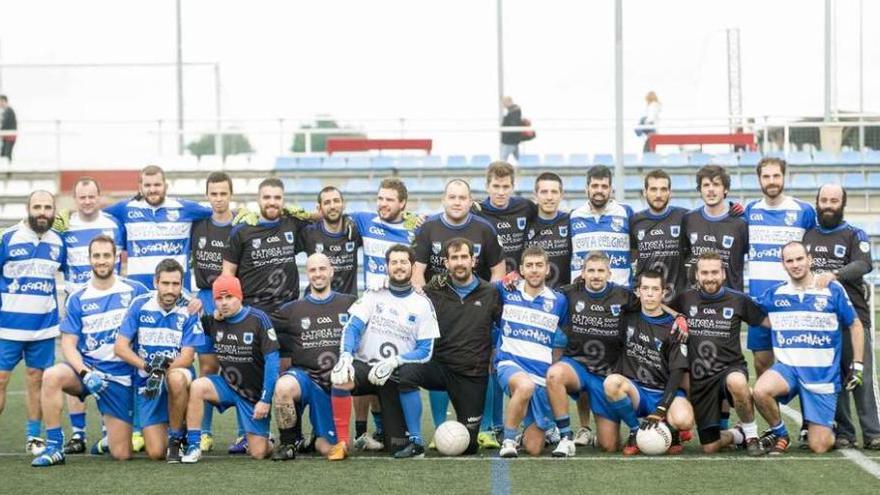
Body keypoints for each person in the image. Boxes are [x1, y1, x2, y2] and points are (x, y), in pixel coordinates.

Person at [30, 235, 148, 466]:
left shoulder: (135, 290)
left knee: (122, 454)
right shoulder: (77, 297)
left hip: (119, 378)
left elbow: (166, 301)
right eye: (97, 255)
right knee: (52, 375)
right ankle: (54, 447)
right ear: (89, 259)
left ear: (116, 258)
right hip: (87, 371)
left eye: (106, 255)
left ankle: (107, 441)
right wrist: (85, 373)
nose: (102, 260)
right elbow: (68, 344)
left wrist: (191, 303)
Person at [753, 241, 865, 454]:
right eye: (789, 261)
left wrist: (857, 364)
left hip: (821, 376)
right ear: (783, 265)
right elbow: (749, 309)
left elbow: (855, 324)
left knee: (819, 445)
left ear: (809, 259)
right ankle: (780, 433)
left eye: (799, 259)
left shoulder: (832, 289)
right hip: (789, 369)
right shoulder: (776, 294)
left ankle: (826, 426)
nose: (795, 264)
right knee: (760, 390)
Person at [329, 244, 440, 459]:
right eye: (394, 262)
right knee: (340, 378)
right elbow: (352, 327)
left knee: (397, 446)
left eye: (403, 262)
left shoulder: (422, 304)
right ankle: (342, 442)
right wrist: (345, 356)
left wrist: (395, 361)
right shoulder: (374, 294)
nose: (399, 267)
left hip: (393, 375)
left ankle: (413, 441)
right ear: (387, 267)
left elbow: (426, 351)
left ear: (412, 266)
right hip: (365, 365)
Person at [398, 238, 502, 457]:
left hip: (471, 375)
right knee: (404, 372)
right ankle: (414, 440)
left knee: (468, 447)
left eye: (464, 257)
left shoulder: (491, 293)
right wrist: (384, 286)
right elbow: (406, 300)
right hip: (439, 367)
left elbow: (504, 326)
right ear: (446, 263)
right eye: (454, 258)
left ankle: (478, 430)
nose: (459, 262)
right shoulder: (434, 290)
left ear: (473, 260)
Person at [803, 184, 880, 450]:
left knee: (860, 376)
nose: (828, 205)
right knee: (833, 379)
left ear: (842, 204)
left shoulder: (853, 234)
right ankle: (845, 432)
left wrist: (834, 275)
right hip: (820, 321)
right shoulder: (808, 235)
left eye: (834, 200)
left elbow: (864, 264)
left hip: (852, 319)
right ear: (817, 202)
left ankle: (873, 432)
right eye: (824, 200)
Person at [669, 251, 767, 455]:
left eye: (714, 272)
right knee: (710, 447)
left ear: (723, 274)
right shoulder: (685, 299)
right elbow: (660, 310)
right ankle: (737, 434)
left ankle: (751, 435)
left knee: (738, 383)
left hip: (729, 369)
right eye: (704, 273)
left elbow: (768, 322)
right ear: (697, 275)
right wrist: (676, 316)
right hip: (701, 381)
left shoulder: (739, 300)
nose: (710, 277)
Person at [546, 251, 639, 456]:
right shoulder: (569, 292)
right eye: (591, 271)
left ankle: (602, 435)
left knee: (609, 446)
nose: (596, 276)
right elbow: (539, 295)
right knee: (554, 375)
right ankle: (565, 436)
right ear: (583, 273)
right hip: (576, 365)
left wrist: (677, 317)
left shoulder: (624, 296)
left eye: (600, 271)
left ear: (609, 273)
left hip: (606, 374)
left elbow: (652, 307)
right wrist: (512, 283)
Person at [180, 275, 279, 463]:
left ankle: (268, 439)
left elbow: (273, 362)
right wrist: (198, 307)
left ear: (240, 296)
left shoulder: (258, 319)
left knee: (258, 453)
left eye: (229, 297)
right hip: (226, 385)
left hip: (252, 395)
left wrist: (265, 400)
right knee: (197, 386)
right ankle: (194, 444)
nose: (224, 303)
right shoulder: (214, 321)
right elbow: (197, 319)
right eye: (219, 298)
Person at [114, 259, 206, 462]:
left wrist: (161, 369)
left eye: (176, 284)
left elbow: (187, 357)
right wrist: (147, 367)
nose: (170, 290)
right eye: (165, 283)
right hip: (147, 381)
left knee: (176, 379)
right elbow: (120, 347)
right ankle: (175, 425)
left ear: (182, 284)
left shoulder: (189, 308)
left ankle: (175, 439)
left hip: (177, 373)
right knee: (155, 452)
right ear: (156, 282)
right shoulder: (140, 304)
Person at [472, 162, 538, 447]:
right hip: (486, 296)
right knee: (490, 359)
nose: (500, 192)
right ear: (487, 186)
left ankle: (529, 424)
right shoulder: (476, 211)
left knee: (517, 357)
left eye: (505, 187)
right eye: (495, 187)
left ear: (513, 186)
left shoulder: (526, 207)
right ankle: (491, 424)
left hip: (519, 297)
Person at [59, 177, 125, 455]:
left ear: (100, 197)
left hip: (109, 304)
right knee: (76, 365)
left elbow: (122, 262)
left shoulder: (112, 224)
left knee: (107, 365)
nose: (87, 201)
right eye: (82, 197)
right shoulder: (64, 227)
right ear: (75, 199)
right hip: (77, 304)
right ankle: (77, 434)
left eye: (91, 196)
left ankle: (106, 432)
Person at [271, 254, 356, 460]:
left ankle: (317, 436)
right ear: (307, 274)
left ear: (331, 271)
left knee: (331, 450)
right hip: (305, 378)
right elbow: (259, 325)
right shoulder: (292, 310)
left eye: (322, 269)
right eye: (313, 270)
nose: (318, 274)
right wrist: (216, 318)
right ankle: (289, 443)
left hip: (333, 386)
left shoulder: (350, 304)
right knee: (282, 387)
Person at [0, 190, 66, 455]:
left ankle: (33, 437)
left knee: (36, 380)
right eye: (37, 206)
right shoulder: (7, 237)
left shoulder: (59, 242)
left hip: (43, 327)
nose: (42, 211)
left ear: (53, 211)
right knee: (1, 380)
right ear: (27, 209)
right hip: (8, 325)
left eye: (47, 207)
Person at [602, 270, 694, 456]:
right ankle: (636, 430)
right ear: (638, 291)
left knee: (684, 420)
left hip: (664, 391)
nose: (650, 294)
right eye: (645, 288)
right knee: (611, 383)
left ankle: (672, 429)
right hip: (638, 392)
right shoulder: (627, 316)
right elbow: (604, 293)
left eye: (655, 289)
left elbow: (677, 372)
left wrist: (662, 408)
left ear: (663, 293)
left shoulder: (674, 326)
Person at [744, 158, 816, 379]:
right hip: (760, 302)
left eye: (776, 175)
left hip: (796, 301)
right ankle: (776, 415)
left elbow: (816, 253)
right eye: (766, 176)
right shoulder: (750, 211)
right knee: (762, 364)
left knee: (803, 366)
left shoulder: (804, 211)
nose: (771, 181)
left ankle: (810, 414)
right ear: (759, 180)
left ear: (784, 177)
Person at [495, 247, 568, 457]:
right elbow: (481, 287)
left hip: (540, 375)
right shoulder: (506, 290)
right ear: (521, 270)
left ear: (547, 269)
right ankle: (508, 441)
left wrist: (553, 366)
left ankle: (540, 429)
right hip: (510, 364)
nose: (534, 270)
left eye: (539, 265)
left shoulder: (558, 301)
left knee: (534, 448)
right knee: (524, 386)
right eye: (529, 266)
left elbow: (561, 336)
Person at [98, 165, 213, 290]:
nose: (152, 189)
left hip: (176, 291)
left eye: (157, 185)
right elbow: (98, 217)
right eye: (147, 186)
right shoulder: (126, 208)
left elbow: (217, 213)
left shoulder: (184, 208)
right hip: (139, 292)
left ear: (166, 186)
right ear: (140, 188)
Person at [189, 171, 235, 453]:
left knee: (240, 365)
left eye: (223, 193)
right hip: (205, 299)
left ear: (231, 194)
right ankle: (204, 432)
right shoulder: (198, 225)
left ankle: (245, 432)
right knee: (206, 366)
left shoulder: (241, 225)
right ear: (207, 196)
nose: (218, 199)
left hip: (234, 299)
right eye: (213, 193)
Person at [223, 177, 310, 319]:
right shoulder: (241, 231)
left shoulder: (292, 224)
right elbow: (227, 274)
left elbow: (322, 221)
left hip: (288, 310)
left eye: (277, 197)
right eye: (266, 197)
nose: (272, 202)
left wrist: (310, 214)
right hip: (253, 311)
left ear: (283, 200)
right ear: (258, 200)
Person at [412, 179, 506, 289]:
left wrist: (489, 298)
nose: (457, 203)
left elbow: (498, 271)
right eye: (452, 197)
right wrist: (426, 300)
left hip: (476, 300)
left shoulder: (485, 229)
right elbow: (416, 271)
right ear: (443, 200)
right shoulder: (427, 227)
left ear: (471, 202)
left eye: (462, 198)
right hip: (437, 299)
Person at [680, 165, 748, 291]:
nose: (711, 190)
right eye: (706, 185)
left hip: (731, 299)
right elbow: (684, 257)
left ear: (726, 189)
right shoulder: (689, 219)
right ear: (699, 190)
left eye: (716, 184)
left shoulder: (740, 223)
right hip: (697, 299)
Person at [570, 165, 634, 287]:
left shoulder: (625, 212)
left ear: (611, 190)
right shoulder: (574, 216)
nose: (599, 190)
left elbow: (636, 249)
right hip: (583, 295)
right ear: (586, 189)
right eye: (595, 186)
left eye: (604, 186)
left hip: (620, 293)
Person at [630, 169, 689, 300]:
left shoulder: (685, 217)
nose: (658, 194)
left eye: (663, 189)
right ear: (645, 192)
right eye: (653, 189)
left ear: (670, 193)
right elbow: (632, 258)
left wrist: (733, 211)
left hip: (678, 298)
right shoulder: (634, 221)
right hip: (646, 299)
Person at [300, 186, 362, 296]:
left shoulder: (355, 230)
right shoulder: (308, 233)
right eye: (327, 202)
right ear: (319, 208)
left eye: (336, 201)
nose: (332, 206)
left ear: (344, 204)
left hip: (347, 304)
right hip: (316, 303)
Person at [526, 172, 572, 289]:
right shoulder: (525, 223)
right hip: (532, 297)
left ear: (561, 195)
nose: (549, 197)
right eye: (544, 192)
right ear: (535, 195)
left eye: (554, 192)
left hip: (564, 296)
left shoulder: (571, 221)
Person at [500, 96, 522, 161]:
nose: (503, 105)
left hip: (509, 140)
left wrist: (506, 135)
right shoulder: (513, 111)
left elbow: (513, 125)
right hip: (512, 139)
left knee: (503, 159)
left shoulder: (514, 112)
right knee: (518, 158)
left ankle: (501, 171)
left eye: (504, 103)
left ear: (509, 102)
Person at [0, 95, 17, 161]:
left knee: (7, 154)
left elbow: (5, 124)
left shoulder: (8, 111)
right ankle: (6, 169)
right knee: (4, 154)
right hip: (7, 137)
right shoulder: (6, 111)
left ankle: (8, 170)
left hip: (9, 137)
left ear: (4, 101)